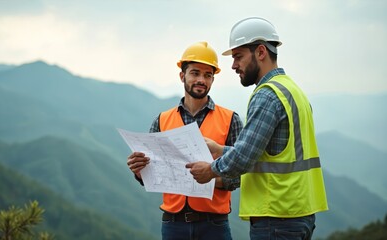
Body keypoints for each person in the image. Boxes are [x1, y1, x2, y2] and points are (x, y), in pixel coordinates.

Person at [186, 17, 329, 240]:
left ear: (261, 52)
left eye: (238, 57)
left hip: (276, 214)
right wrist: (221, 149)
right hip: (300, 213)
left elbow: (244, 157)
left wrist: (210, 170)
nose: (233, 66)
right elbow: (265, 150)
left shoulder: (267, 95)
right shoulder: (293, 90)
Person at [126, 41, 243, 240]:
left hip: (214, 224)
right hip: (173, 224)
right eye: (195, 73)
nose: (201, 80)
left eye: (208, 75)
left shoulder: (231, 119)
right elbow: (152, 174)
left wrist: (209, 177)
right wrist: (139, 171)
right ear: (182, 76)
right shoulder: (162, 120)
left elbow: (240, 176)